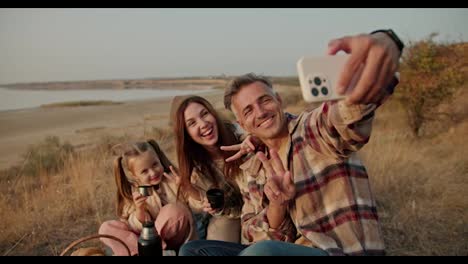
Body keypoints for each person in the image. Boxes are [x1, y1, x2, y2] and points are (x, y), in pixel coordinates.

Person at [179, 30, 403, 256]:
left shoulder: (311, 130)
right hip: (284, 249)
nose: (261, 112)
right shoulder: (255, 165)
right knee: (193, 251)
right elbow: (252, 232)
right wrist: (277, 205)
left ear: (279, 101)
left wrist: (384, 44)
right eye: (248, 110)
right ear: (243, 124)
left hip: (336, 250)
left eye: (265, 100)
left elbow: (346, 117)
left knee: (260, 254)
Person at [98, 139, 197, 256]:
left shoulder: (173, 181)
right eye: (144, 171)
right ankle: (144, 252)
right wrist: (140, 211)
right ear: (133, 175)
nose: (153, 172)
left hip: (173, 239)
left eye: (155, 164)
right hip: (141, 241)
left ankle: (153, 251)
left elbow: (197, 205)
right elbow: (129, 224)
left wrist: (188, 187)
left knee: (173, 210)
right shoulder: (132, 192)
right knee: (106, 228)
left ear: (159, 159)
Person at [169, 95, 246, 243]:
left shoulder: (239, 134)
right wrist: (194, 192)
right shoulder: (197, 168)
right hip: (231, 213)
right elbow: (208, 203)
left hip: (258, 206)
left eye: (204, 114)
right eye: (192, 123)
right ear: (187, 134)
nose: (203, 124)